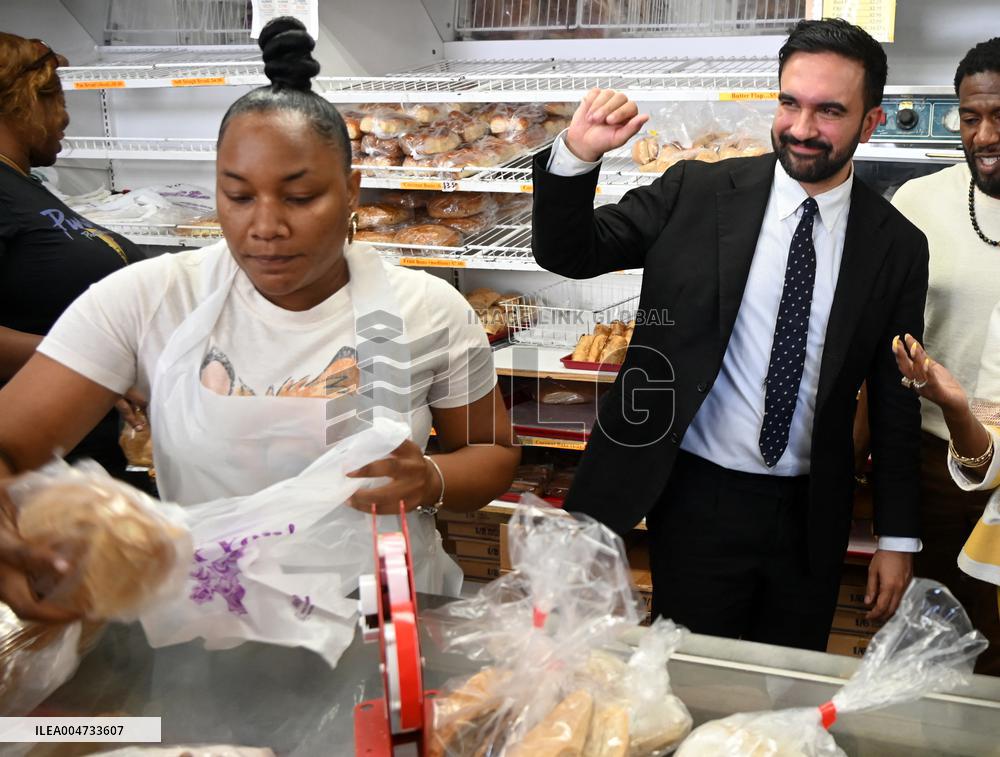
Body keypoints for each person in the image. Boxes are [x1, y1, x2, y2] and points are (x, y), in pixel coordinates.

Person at [0, 17, 520, 622]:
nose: (265, 226)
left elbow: (490, 451)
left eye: (300, 198)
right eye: (239, 196)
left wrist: (429, 478)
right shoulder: (145, 299)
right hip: (206, 619)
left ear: (353, 190)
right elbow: (10, 446)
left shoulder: (426, 309)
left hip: (381, 622)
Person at [531, 18, 929, 650]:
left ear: (871, 122)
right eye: (790, 103)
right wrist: (577, 157)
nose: (802, 128)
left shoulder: (897, 246)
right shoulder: (696, 192)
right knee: (687, 675)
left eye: (829, 111)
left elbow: (895, 397)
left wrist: (897, 538)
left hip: (812, 511)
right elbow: (569, 251)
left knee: (785, 694)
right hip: (696, 495)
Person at [889, 37, 1000, 675]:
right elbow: (885, 350)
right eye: (970, 117)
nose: (984, 135)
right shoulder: (920, 204)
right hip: (934, 469)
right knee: (935, 658)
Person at [0, 32, 144, 480]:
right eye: (58, 99)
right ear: (25, 101)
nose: (64, 119)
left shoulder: (22, 185)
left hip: (86, 453)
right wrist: (94, 357)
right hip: (37, 464)